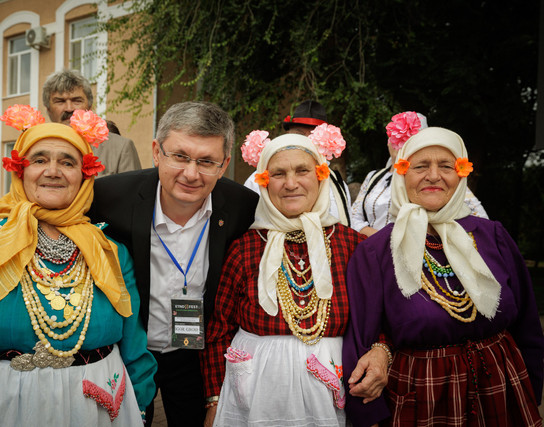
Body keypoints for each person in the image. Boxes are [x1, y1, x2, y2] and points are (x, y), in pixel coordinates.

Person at [0, 106, 156, 426]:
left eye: (68, 162)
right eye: (39, 160)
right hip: (2, 407)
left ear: (84, 175)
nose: (53, 171)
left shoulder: (111, 250)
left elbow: (134, 345)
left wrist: (141, 404)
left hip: (98, 410)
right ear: (20, 171)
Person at [343, 127, 544, 426]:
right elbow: (363, 335)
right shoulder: (375, 251)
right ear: (402, 175)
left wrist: (532, 386)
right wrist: (369, 412)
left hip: (502, 386)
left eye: (446, 166)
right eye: (420, 166)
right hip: (422, 396)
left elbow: (527, 323)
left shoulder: (493, 236)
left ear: (460, 174)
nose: (434, 176)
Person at [88, 101, 259, 426]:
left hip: (193, 351)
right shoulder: (109, 198)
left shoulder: (242, 207)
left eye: (206, 161)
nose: (191, 174)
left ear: (224, 165)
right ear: (156, 151)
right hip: (128, 351)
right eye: (179, 156)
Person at [201, 131, 388, 426]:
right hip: (255, 399)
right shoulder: (244, 247)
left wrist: (380, 352)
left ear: (320, 176)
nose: (291, 183)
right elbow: (218, 330)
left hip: (332, 397)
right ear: (264, 182)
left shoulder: (353, 246)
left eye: (302, 171)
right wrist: (213, 399)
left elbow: (380, 319)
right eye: (278, 173)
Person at [351, 111, 488, 236]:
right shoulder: (374, 177)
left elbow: (480, 219)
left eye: (410, 139)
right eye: (397, 138)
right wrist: (380, 239)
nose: (402, 145)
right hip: (375, 252)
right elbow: (353, 217)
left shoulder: (437, 179)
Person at [243, 100, 352, 225]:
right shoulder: (257, 180)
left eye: (313, 136)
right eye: (299, 134)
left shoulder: (337, 182)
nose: (305, 141)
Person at [43, 69, 142, 176]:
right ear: (48, 109)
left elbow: (132, 191)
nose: (69, 108)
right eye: (60, 101)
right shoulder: (34, 148)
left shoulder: (120, 148)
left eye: (77, 101)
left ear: (89, 107)